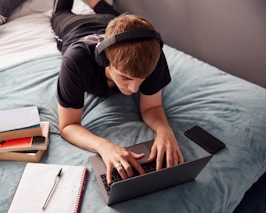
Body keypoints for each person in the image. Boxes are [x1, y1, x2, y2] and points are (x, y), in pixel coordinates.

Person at [51, 0, 184, 184]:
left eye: (142, 79)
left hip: (110, 22)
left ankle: (95, 2)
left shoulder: (153, 57)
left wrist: (164, 130)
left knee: (119, 18)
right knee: (59, 12)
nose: (134, 89)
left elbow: (152, 107)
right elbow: (67, 126)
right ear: (104, 60)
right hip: (75, 27)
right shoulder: (76, 61)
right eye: (126, 78)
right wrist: (104, 147)